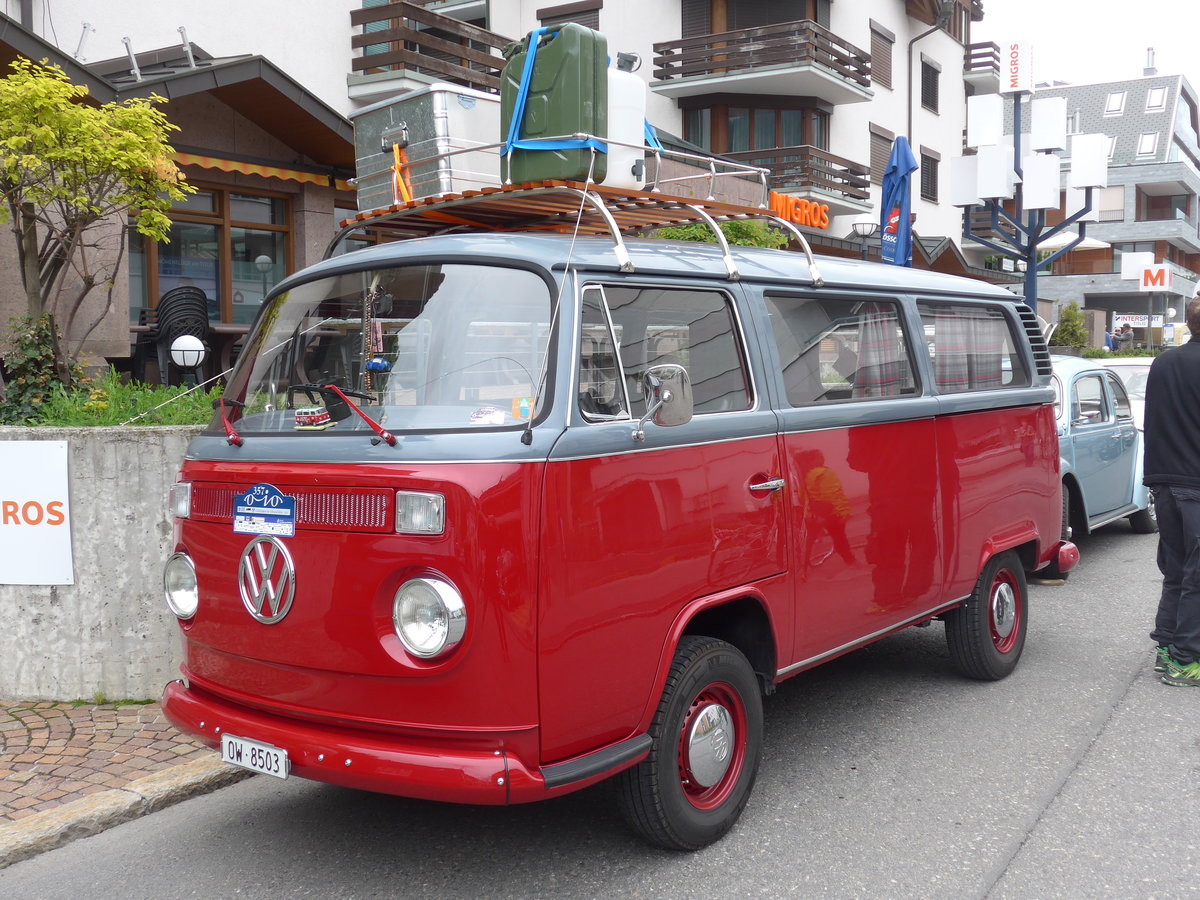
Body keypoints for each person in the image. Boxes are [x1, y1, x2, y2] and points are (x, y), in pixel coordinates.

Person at [1143, 297, 1200, 686]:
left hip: (1166, 483)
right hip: (1196, 486)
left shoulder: (1164, 362)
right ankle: (1185, 661)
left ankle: (1167, 648)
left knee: (1177, 570)